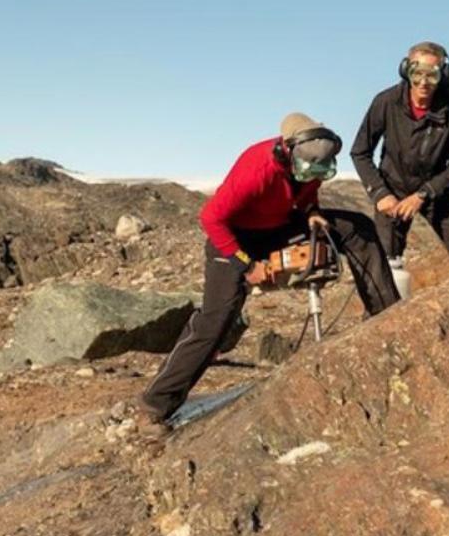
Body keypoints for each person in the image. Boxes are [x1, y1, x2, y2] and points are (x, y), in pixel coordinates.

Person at [140, 112, 400, 423]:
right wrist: (247, 265)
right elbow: (211, 219)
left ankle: (389, 322)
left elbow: (307, 189)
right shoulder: (257, 168)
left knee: (357, 228)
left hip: (277, 227)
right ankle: (155, 405)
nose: (314, 171)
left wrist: (312, 211)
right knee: (217, 318)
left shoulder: (315, 157)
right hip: (235, 238)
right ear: (287, 150)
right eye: (309, 167)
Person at [351, 41, 449, 276]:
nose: (423, 82)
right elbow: (360, 152)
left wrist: (424, 194)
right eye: (417, 73)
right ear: (406, 70)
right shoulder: (386, 102)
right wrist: (380, 194)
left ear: (443, 75)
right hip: (393, 189)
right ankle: (381, 314)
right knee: (384, 263)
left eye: (431, 75)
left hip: (436, 189)